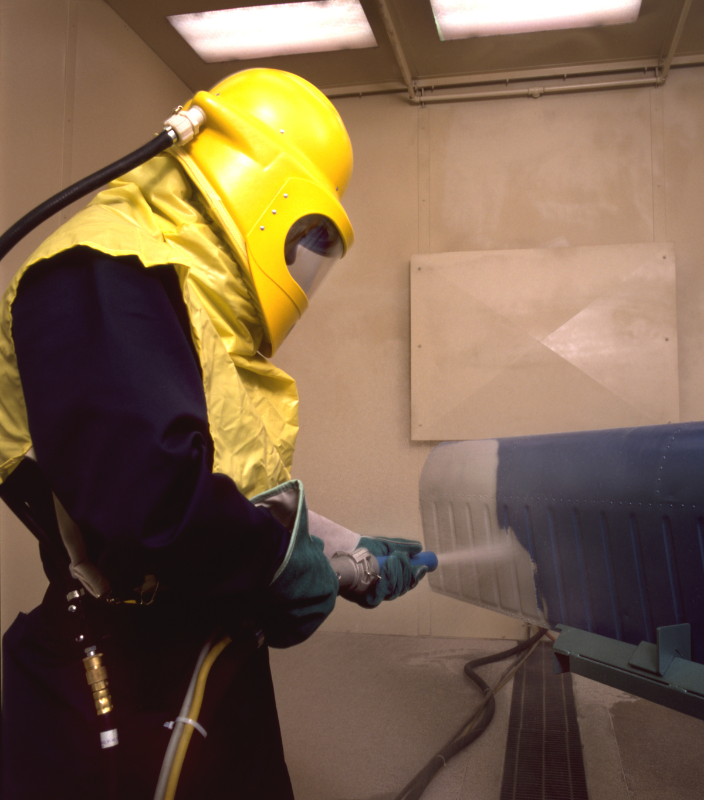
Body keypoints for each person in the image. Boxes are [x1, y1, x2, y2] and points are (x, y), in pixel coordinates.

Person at [0, 68, 426, 799]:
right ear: (263, 189)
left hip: (191, 651)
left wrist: (340, 550)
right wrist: (281, 567)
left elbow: (217, 486)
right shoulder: (103, 270)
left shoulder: (178, 295)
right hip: (120, 672)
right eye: (310, 238)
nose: (303, 264)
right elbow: (154, 497)